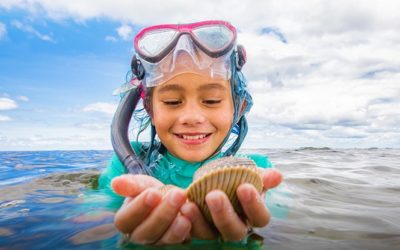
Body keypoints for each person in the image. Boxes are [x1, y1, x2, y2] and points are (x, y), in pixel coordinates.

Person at [98, 20, 283, 246]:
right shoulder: (125, 167)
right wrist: (129, 242)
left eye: (212, 100)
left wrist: (241, 242)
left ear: (239, 107)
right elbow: (93, 221)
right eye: (172, 101)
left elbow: (279, 225)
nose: (192, 117)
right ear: (151, 110)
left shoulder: (259, 170)